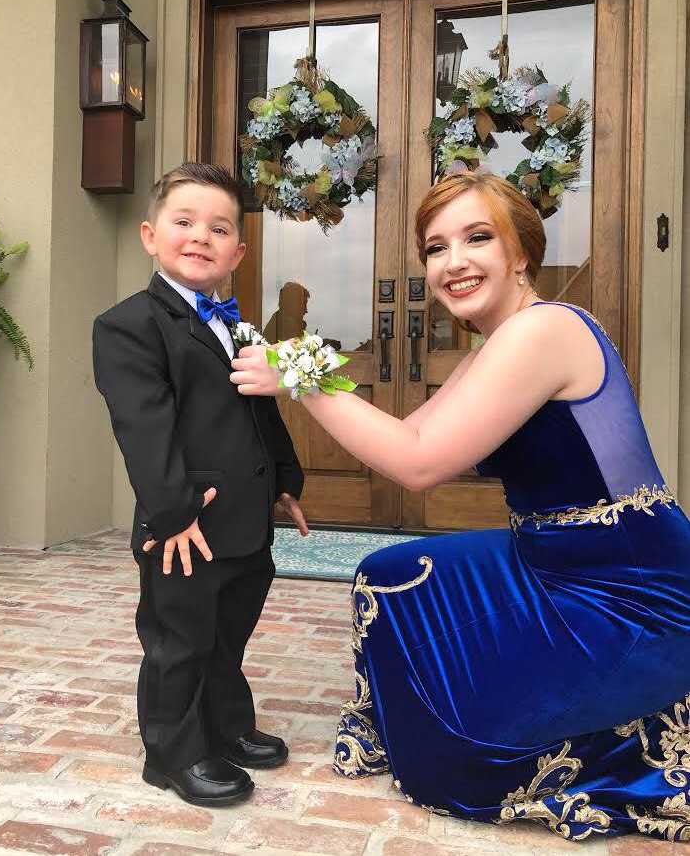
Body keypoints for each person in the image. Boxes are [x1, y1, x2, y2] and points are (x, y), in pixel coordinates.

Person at [230, 172, 690, 842]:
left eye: (478, 238)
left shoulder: (546, 330)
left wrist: (300, 374)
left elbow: (420, 465)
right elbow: (408, 436)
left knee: (468, 752)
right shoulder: (494, 347)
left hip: (627, 587)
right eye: (436, 248)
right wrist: (307, 372)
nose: (454, 262)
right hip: (544, 559)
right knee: (390, 576)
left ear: (520, 253)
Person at [92, 162, 307, 808]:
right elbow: (144, 427)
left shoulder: (238, 327)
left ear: (237, 252)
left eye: (218, 228)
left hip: (245, 520)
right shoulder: (129, 325)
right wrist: (172, 512)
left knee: (227, 633)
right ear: (150, 235)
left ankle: (226, 725)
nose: (200, 237)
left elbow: (260, 411)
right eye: (184, 223)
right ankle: (174, 752)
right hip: (184, 526)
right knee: (179, 639)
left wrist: (285, 481)